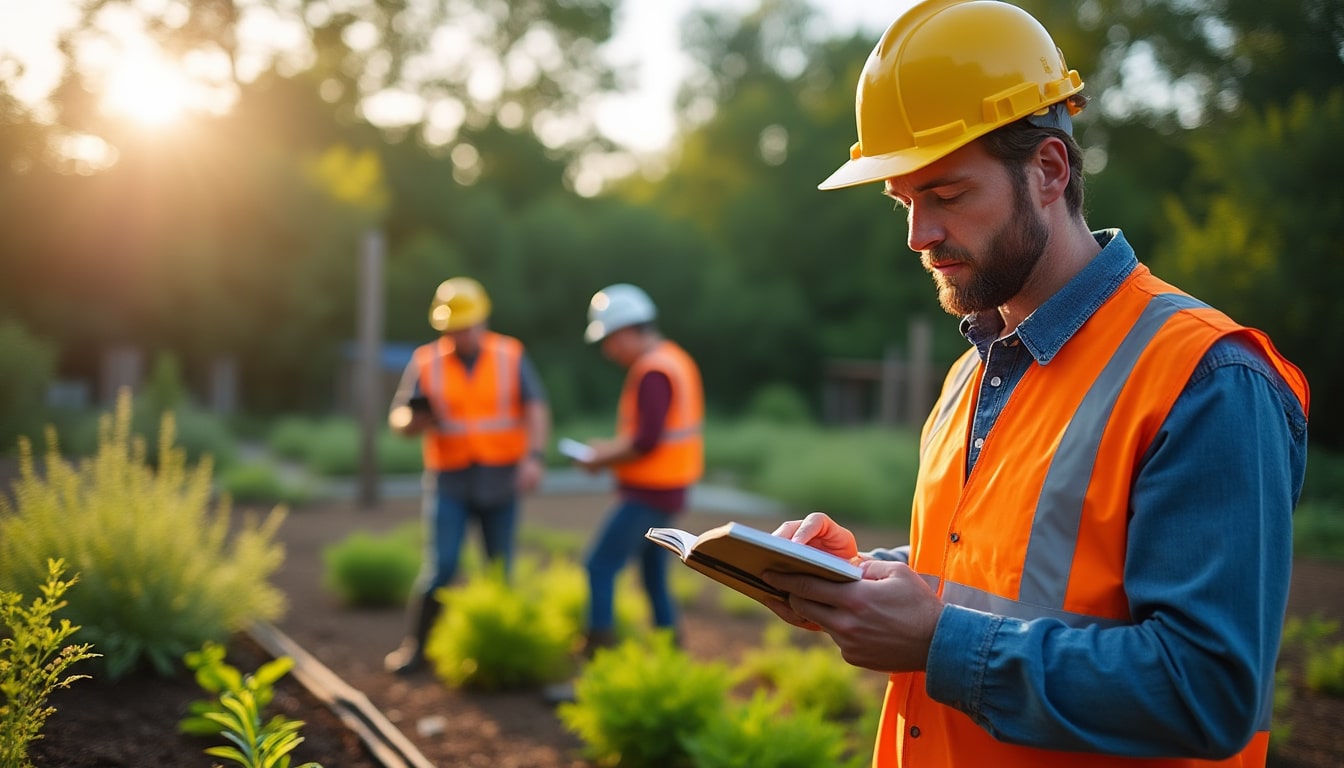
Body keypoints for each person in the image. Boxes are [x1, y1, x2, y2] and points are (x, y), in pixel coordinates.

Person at [758, 2, 1310, 767]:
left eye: (946, 195)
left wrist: (936, 639)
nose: (919, 235)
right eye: (905, 202)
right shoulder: (970, 372)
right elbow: (1003, 577)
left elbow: (1207, 692)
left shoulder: (1208, 376)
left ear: (1049, 170)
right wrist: (860, 577)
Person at [384, 276, 551, 675]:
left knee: (499, 570)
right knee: (440, 567)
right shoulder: (427, 361)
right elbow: (399, 418)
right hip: (450, 480)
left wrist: (534, 457)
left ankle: (501, 655)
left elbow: (536, 408)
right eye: (453, 329)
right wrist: (413, 421)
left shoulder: (511, 355)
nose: (460, 335)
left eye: (467, 327)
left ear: (483, 320)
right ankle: (417, 649)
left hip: (501, 478)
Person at [547, 283, 704, 702]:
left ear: (625, 331)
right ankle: (674, 668)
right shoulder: (675, 360)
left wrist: (601, 457)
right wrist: (610, 452)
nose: (608, 351)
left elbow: (646, 440)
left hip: (649, 492)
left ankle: (596, 677)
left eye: (609, 340)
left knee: (598, 566)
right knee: (653, 577)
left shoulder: (653, 370)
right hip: (669, 488)